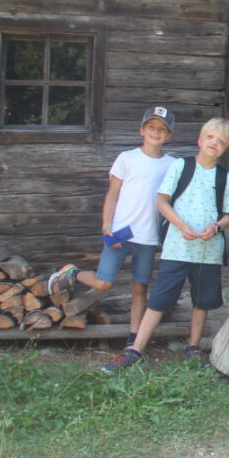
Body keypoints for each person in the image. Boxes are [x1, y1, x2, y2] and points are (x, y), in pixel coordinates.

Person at [100, 117, 229, 373]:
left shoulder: (225, 178)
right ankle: (135, 350)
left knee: (202, 302)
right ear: (200, 139)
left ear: (226, 147)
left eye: (221, 142)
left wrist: (217, 227)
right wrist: (180, 225)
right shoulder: (180, 167)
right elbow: (162, 201)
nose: (214, 143)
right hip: (176, 248)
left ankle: (194, 348)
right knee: (159, 300)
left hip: (208, 253)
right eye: (210, 137)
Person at [48, 107, 177, 349]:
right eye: (151, 127)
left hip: (148, 237)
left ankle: (134, 337)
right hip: (119, 232)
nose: (156, 133)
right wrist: (107, 225)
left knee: (140, 287)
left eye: (162, 129)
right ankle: (73, 272)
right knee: (104, 282)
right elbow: (112, 195)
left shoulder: (173, 165)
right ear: (142, 130)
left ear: (169, 135)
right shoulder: (126, 158)